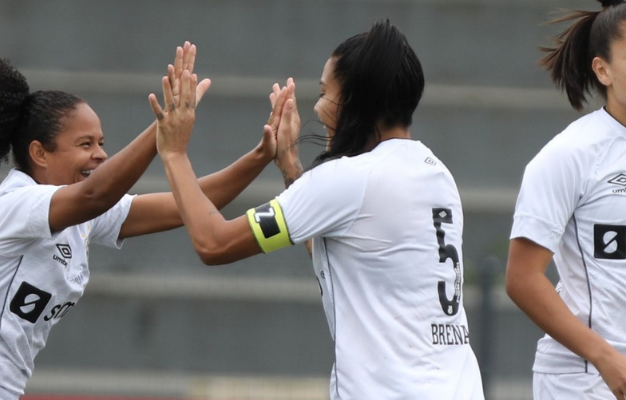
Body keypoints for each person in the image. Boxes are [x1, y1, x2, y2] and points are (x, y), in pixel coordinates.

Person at [0, 42, 293, 400]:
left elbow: (186, 205)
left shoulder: (82, 216)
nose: (100, 154)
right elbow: (95, 194)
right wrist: (163, 130)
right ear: (40, 153)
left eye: (101, 143)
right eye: (85, 144)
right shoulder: (14, 205)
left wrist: (259, 156)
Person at [149, 20, 484, 399]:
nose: (318, 107)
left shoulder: (348, 178)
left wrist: (174, 152)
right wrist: (292, 169)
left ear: (355, 102)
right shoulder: (436, 173)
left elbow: (214, 243)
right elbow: (344, 250)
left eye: (325, 93)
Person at [505, 1, 626, 398]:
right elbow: (522, 278)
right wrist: (607, 358)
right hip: (585, 381)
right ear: (602, 69)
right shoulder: (571, 154)